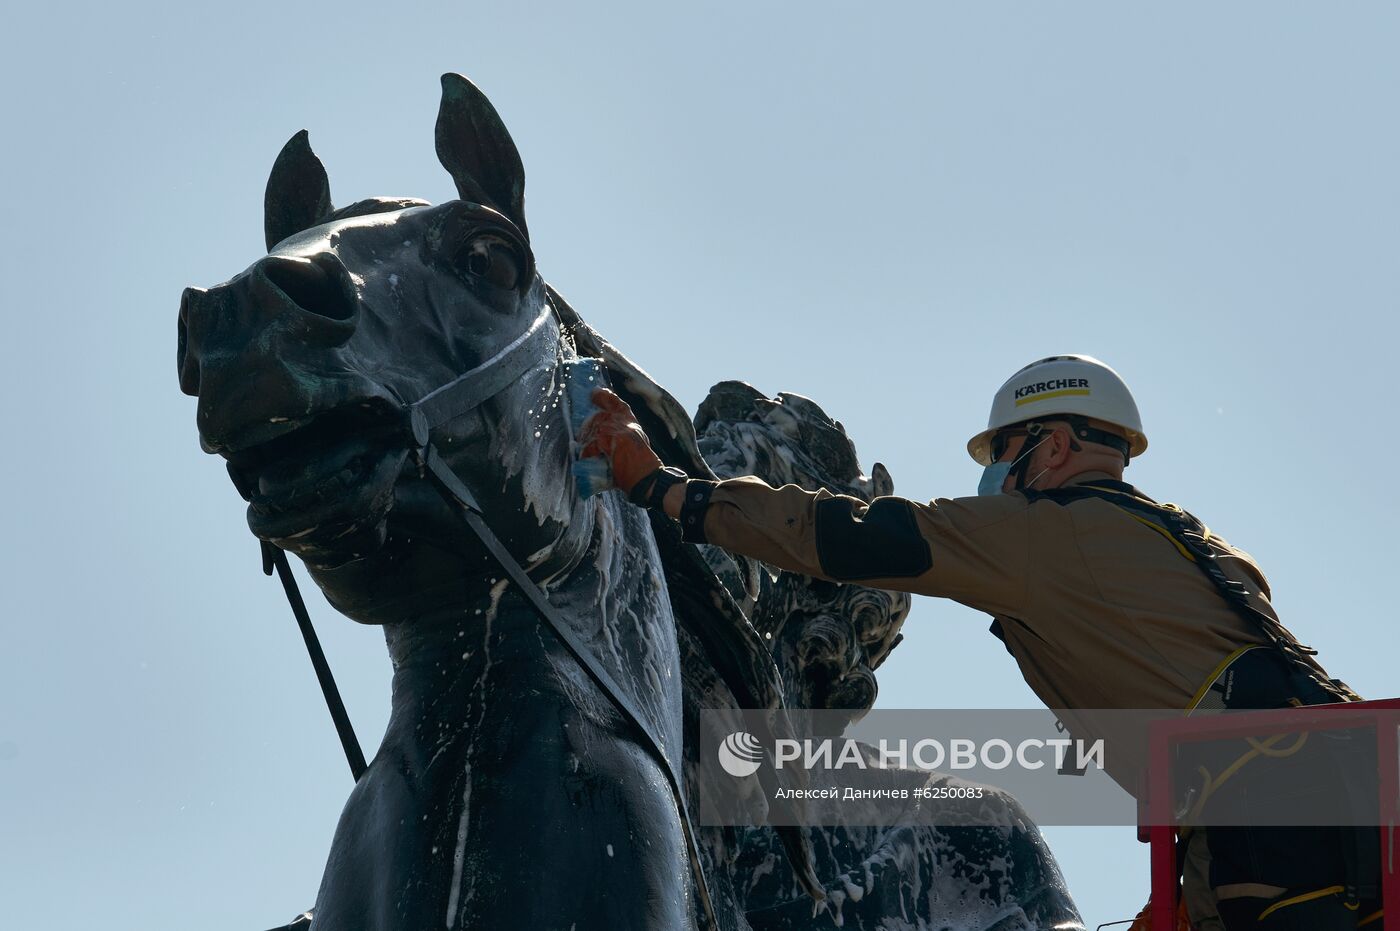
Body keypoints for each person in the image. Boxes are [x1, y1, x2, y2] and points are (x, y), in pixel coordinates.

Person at [580, 354, 1374, 930]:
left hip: (1279, 820)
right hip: (1355, 807)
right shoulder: (1198, 547)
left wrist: (666, 488)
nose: (994, 477)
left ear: (1052, 447)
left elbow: (850, 536)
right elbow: (1223, 724)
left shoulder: (1048, 534)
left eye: (1002, 455)